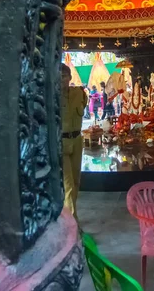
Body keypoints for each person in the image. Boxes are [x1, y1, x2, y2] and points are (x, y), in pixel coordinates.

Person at [61, 64, 88, 218]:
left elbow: (83, 107)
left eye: (64, 76)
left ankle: (69, 217)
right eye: (57, 77)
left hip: (77, 140)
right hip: (61, 143)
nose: (61, 80)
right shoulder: (50, 97)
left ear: (70, 77)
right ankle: (73, 226)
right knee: (68, 185)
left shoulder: (80, 94)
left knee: (76, 181)